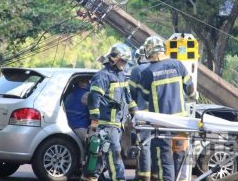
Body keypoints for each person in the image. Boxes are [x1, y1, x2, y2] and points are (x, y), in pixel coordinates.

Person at [139, 36, 195, 181]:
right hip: (180, 124)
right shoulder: (178, 64)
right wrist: (192, 96)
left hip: (161, 124)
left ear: (149, 51)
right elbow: (190, 89)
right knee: (180, 157)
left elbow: (145, 97)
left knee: (165, 162)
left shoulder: (147, 72)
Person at [82, 43, 138, 181]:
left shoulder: (121, 75)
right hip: (106, 125)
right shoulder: (102, 76)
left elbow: (128, 97)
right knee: (115, 157)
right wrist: (95, 121)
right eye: (123, 61)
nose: (124, 64)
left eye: (126, 62)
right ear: (114, 58)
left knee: (100, 160)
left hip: (117, 125)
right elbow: (94, 99)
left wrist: (135, 112)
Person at [129, 46, 152, 181]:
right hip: (159, 116)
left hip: (142, 114)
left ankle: (144, 176)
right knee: (156, 145)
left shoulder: (136, 70)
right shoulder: (156, 68)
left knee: (144, 145)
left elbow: (130, 93)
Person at [64, 77, 91, 143]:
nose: (89, 83)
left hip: (69, 124)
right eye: (86, 82)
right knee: (99, 141)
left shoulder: (70, 92)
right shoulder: (86, 94)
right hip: (79, 127)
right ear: (80, 83)